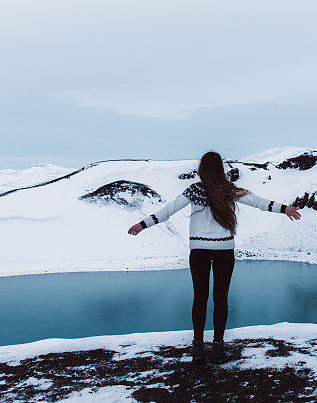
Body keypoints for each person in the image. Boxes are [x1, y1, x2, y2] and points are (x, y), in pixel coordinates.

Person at [128, 151, 301, 365]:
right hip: (224, 251)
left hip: (198, 250)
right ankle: (218, 346)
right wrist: (284, 209)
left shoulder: (194, 191)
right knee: (221, 298)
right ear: (221, 168)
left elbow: (168, 210)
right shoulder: (230, 190)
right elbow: (258, 202)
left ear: (202, 169)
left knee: (200, 298)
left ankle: (198, 346)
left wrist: (142, 224)